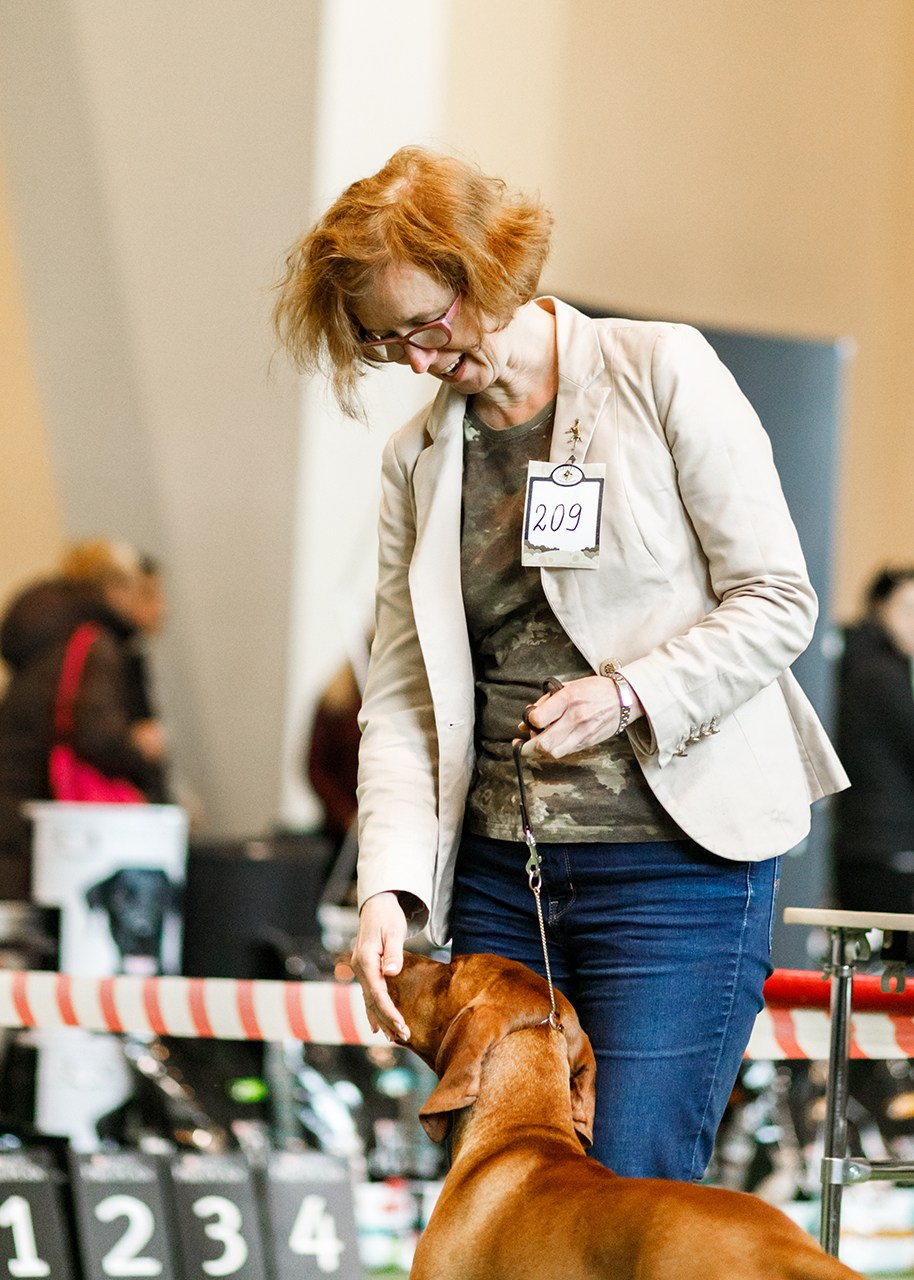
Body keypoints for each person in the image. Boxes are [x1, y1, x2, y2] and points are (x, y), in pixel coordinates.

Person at [273, 146, 848, 1179]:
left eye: (424, 324)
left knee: (626, 1180)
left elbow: (776, 600)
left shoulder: (658, 368)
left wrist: (627, 695)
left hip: (675, 871)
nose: (414, 360)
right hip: (501, 876)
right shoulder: (415, 457)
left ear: (487, 268)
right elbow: (401, 696)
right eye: (382, 340)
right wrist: (385, 889)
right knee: (500, 1187)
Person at [0, 573, 166, 899]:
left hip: (18, 804)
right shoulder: (94, 644)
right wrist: (141, 751)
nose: (162, 608)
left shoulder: (48, 638)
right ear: (115, 590)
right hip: (50, 815)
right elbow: (97, 736)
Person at [832, 567, 914, 913]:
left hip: (860, 842)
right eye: (908, 609)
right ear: (880, 609)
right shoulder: (880, 674)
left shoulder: (853, 661)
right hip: (885, 847)